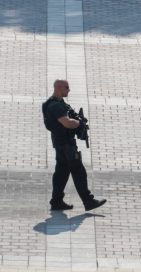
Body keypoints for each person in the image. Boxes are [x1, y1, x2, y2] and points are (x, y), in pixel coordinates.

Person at [42, 79, 106, 211]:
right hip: (65, 144)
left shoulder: (55, 103)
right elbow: (66, 122)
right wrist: (78, 123)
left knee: (61, 173)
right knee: (79, 171)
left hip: (61, 143)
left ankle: (56, 201)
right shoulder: (55, 106)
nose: (69, 90)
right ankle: (88, 201)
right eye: (67, 88)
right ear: (59, 88)